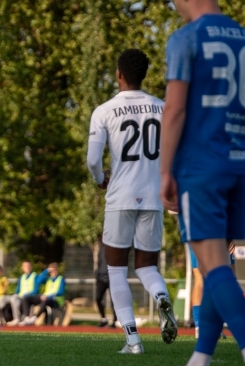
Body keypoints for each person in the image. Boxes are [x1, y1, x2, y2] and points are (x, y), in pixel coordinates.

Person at [161, 0, 245, 364]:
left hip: (203, 166)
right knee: (221, 266)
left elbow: (175, 110)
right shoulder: (243, 38)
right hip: (240, 163)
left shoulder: (185, 38)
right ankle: (201, 357)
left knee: (211, 266)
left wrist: (164, 171)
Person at [87, 48, 177, 354]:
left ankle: (133, 340)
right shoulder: (163, 108)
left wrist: (100, 179)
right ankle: (161, 296)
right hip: (153, 197)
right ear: (144, 75)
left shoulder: (104, 110)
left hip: (120, 196)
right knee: (147, 266)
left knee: (115, 271)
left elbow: (92, 159)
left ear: (119, 74)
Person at [3, 261, 49, 326]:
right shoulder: (22, 277)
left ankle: (19, 319)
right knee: (6, 299)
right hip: (20, 296)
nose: (27, 267)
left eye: (28, 266)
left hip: (30, 296)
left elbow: (37, 287)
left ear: (31, 267)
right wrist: (15, 294)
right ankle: (4, 319)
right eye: (25, 266)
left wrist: (46, 271)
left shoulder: (34, 276)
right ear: (22, 268)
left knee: (20, 299)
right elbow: (18, 289)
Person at [95, 243, 117, 328]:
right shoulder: (101, 247)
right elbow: (99, 262)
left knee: (114, 301)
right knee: (98, 298)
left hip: (112, 278)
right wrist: (97, 274)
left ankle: (114, 321)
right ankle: (103, 319)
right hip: (101, 277)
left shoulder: (114, 247)